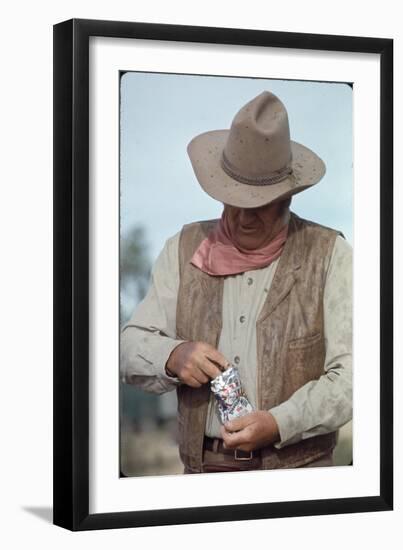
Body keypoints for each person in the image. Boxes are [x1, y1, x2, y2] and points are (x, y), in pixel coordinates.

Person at [120, 91, 352, 474]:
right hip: (204, 473)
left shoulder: (331, 255)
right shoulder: (181, 249)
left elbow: (356, 377)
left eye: (258, 206)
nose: (243, 218)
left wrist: (281, 423)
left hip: (302, 476)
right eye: (233, 201)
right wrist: (172, 355)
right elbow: (125, 346)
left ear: (286, 199)